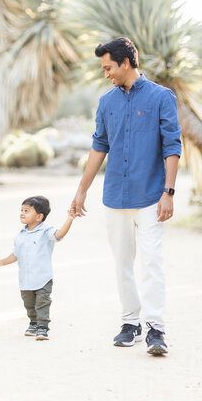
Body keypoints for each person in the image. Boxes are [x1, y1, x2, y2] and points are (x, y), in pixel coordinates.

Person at [70, 37, 181, 356]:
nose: (105, 73)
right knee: (123, 264)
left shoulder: (162, 97)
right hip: (115, 196)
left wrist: (168, 192)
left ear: (126, 62)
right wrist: (81, 190)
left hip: (150, 196)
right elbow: (98, 147)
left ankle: (156, 328)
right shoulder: (106, 103)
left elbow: (172, 146)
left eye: (108, 67)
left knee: (152, 262)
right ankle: (130, 323)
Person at [0, 196, 74, 341]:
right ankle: (33, 322)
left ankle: (43, 327)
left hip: (43, 277)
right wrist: (1, 262)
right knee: (29, 303)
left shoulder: (46, 231)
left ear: (39, 216)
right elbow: (15, 254)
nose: (22, 213)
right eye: (22, 210)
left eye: (27, 211)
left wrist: (70, 219)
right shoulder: (20, 235)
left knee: (42, 302)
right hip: (25, 278)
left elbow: (59, 234)